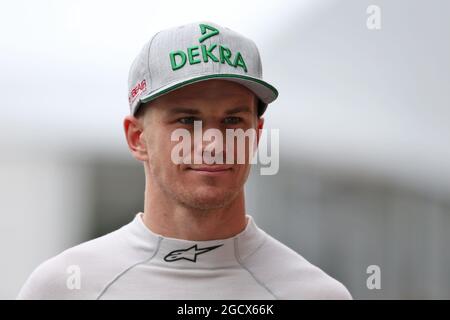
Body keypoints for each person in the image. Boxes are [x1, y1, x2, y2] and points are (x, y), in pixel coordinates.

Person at [17, 21, 352, 299]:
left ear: (257, 135)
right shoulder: (62, 287)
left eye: (233, 121)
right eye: (187, 121)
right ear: (137, 138)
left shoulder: (315, 294)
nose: (213, 143)